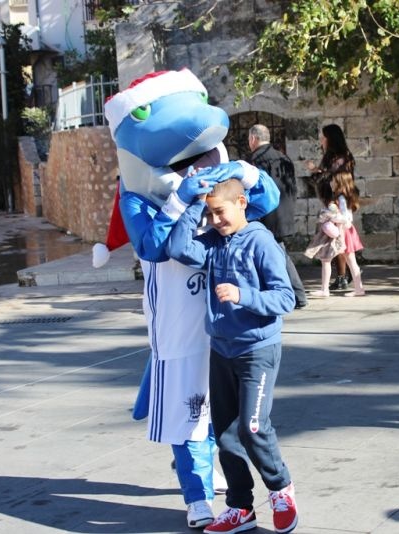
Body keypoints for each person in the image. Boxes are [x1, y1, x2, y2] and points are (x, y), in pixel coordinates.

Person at [99, 69, 281, 530]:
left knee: (223, 415)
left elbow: (263, 203)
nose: (192, 167)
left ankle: (220, 478)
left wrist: (246, 173)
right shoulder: (136, 193)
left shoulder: (217, 177)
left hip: (225, 319)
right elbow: (150, 246)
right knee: (188, 412)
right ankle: (196, 496)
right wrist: (179, 201)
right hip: (178, 317)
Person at [167, 177, 298, 534]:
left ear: (242, 202)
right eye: (210, 214)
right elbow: (178, 248)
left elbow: (285, 298)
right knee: (225, 433)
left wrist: (244, 296)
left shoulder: (262, 242)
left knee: (253, 427)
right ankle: (241, 508)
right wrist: (195, 203)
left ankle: (281, 489)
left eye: (219, 212)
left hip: (257, 350)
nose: (214, 221)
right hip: (221, 349)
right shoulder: (213, 241)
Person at [248, 124, 307, 309]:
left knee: (278, 253)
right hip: (284, 213)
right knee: (279, 252)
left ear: (253, 139)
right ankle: (294, 294)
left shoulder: (257, 160)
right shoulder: (284, 158)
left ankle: (297, 294)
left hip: (267, 215)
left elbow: (256, 189)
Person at [305, 124, 356, 291]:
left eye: (323, 136)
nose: (321, 140)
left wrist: (315, 171)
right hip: (336, 201)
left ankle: (342, 276)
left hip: (337, 202)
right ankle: (346, 275)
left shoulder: (338, 157)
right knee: (337, 237)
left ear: (330, 138)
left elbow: (332, 177)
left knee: (337, 238)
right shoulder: (338, 156)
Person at [308, 171, 365, 298]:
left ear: (340, 182)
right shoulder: (345, 197)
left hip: (342, 232)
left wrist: (330, 216)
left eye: (334, 180)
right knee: (347, 261)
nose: (331, 183)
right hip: (345, 232)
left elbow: (345, 218)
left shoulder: (341, 198)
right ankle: (357, 288)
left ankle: (327, 289)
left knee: (330, 260)